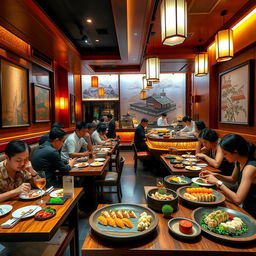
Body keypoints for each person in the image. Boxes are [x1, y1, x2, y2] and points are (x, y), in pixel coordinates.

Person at [200, 134, 256, 218]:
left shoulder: (250, 168)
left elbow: (238, 199)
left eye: (225, 153)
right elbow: (233, 179)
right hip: (246, 205)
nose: (224, 157)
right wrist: (216, 175)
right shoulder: (239, 161)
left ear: (235, 151)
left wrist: (217, 182)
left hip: (252, 211)